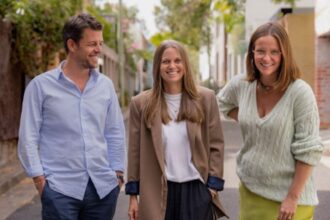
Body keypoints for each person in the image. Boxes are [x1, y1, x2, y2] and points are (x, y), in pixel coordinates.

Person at [18, 13, 125, 220]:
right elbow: (28, 138)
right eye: (92, 44)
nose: (98, 49)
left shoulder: (106, 86)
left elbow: (115, 132)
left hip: (103, 189)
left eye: (100, 43)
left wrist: (117, 174)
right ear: (72, 45)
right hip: (60, 191)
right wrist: (40, 182)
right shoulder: (40, 87)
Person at [218, 22, 324, 220]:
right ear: (252, 53)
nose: (266, 58)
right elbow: (222, 102)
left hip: (291, 198)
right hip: (251, 190)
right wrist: (247, 116)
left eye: (275, 52)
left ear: (285, 54)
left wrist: (292, 197)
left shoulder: (299, 92)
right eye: (260, 51)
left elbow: (309, 150)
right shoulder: (242, 85)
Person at [125, 40, 228, 220]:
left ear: (185, 64)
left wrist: (211, 188)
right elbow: (135, 152)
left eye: (177, 61)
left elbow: (216, 144)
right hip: (158, 192)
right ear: (158, 66)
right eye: (166, 61)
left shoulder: (205, 98)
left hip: (196, 191)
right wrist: (133, 196)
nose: (172, 66)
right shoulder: (140, 104)